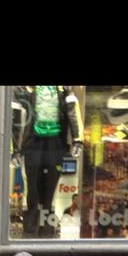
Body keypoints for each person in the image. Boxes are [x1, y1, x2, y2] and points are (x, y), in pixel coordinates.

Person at [18, 86, 84, 238]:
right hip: (33, 142)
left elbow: (72, 109)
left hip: (56, 143)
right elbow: (16, 115)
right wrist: (15, 148)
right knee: (32, 189)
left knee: (50, 189)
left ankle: (47, 232)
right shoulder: (27, 88)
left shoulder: (63, 89)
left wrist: (77, 140)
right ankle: (30, 233)